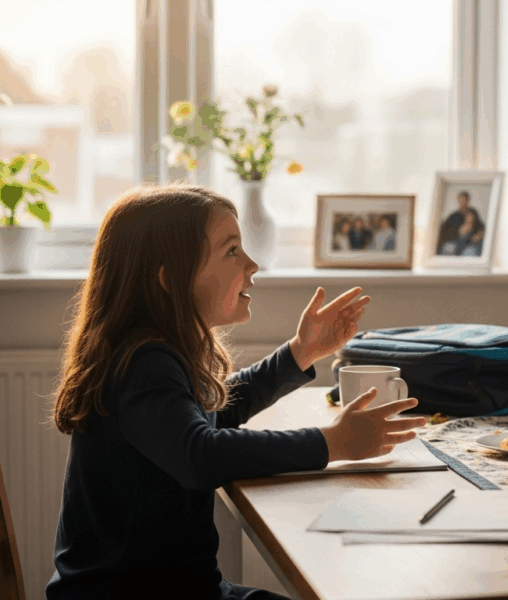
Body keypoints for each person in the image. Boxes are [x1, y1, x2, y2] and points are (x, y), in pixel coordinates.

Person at [46, 185, 426, 600]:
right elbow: (200, 455)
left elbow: (214, 413)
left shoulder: (153, 354)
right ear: (170, 279)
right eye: (231, 251)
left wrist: (300, 352)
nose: (252, 264)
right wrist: (331, 442)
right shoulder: (143, 364)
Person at [437, 190, 483, 255]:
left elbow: (481, 228)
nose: (462, 203)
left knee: (472, 250)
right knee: (448, 247)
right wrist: (459, 232)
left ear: (467, 201)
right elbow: (446, 230)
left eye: (464, 200)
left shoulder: (473, 213)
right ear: (458, 201)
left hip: (471, 242)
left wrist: (478, 234)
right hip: (455, 240)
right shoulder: (453, 216)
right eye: (461, 200)